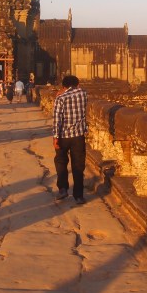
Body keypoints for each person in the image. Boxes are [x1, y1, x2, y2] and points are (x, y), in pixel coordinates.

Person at [52, 74, 89, 204]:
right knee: (78, 165)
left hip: (63, 136)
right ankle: (78, 195)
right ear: (77, 85)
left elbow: (57, 119)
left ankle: (63, 188)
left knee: (61, 162)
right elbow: (80, 90)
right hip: (78, 136)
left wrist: (55, 138)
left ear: (63, 86)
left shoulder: (60, 98)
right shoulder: (84, 94)